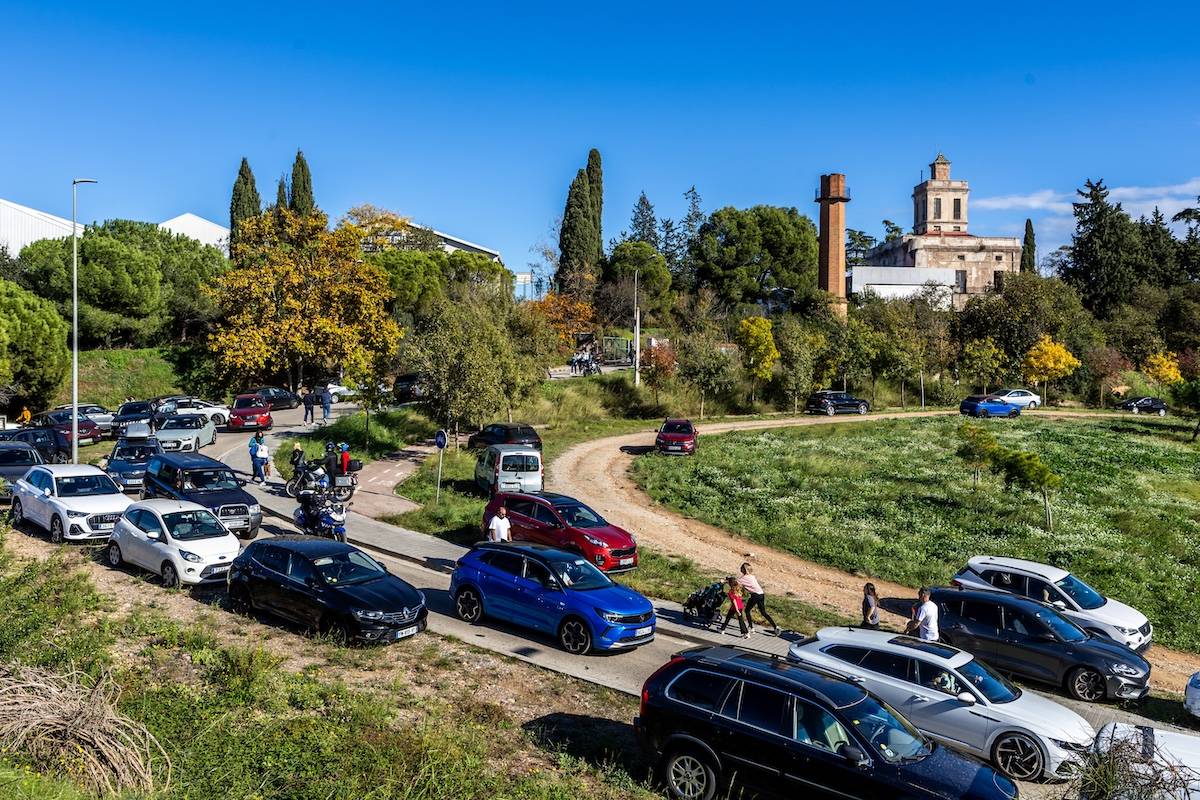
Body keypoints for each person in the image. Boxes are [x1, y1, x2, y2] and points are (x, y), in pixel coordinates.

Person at [737, 563, 779, 634]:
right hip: (761, 594)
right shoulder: (752, 576)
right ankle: (775, 627)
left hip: (755, 595)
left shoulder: (743, 578)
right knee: (763, 612)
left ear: (744, 569)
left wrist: (726, 580)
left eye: (741, 567)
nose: (740, 568)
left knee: (747, 610)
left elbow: (735, 582)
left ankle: (751, 627)